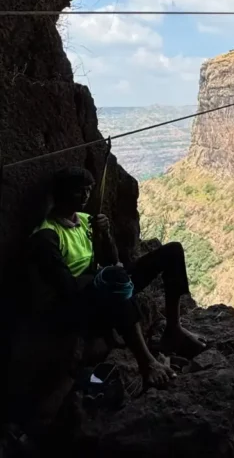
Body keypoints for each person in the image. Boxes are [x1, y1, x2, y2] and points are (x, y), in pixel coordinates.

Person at [29, 167, 206, 389]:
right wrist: (106, 282)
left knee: (172, 251)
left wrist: (105, 236)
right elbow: (66, 289)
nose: (85, 197)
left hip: (101, 284)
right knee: (116, 286)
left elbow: (111, 260)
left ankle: (174, 328)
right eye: (78, 192)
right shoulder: (47, 235)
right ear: (61, 193)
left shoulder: (85, 220)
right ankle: (147, 363)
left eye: (88, 191)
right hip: (78, 305)